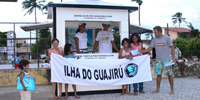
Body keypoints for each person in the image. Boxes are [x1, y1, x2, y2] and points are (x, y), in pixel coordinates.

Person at [139, 26, 175, 95]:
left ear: (160, 32)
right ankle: (157, 89)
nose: (154, 33)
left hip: (167, 60)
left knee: (169, 75)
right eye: (154, 32)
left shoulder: (167, 38)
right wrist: (141, 51)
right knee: (158, 75)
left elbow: (172, 48)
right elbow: (150, 48)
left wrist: (173, 58)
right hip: (158, 60)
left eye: (155, 32)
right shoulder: (154, 40)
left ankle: (172, 90)